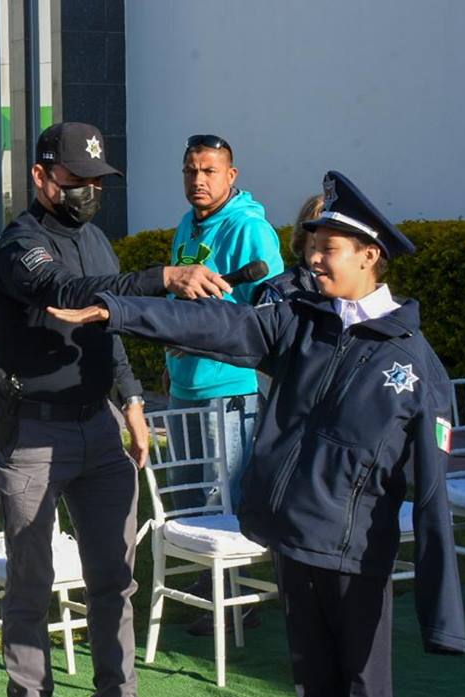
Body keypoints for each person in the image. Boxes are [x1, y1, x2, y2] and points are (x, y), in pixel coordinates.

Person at [50, 171, 465, 697]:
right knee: (313, 685)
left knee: (360, 693)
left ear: (371, 256)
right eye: (310, 247)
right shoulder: (301, 323)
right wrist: (118, 310)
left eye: (328, 250)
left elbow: (434, 493)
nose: (312, 260)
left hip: (354, 554)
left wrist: (443, 616)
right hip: (293, 539)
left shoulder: (415, 366)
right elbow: (221, 322)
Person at [0, 121, 231, 697]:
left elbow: (107, 328)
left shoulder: (97, 241)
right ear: (42, 177)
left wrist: (133, 404)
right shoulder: (21, 245)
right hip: (35, 435)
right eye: (77, 181)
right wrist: (163, 277)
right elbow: (65, 291)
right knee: (32, 583)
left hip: (99, 430)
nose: (89, 192)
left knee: (114, 581)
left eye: (98, 182)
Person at [161, 135, 283, 636]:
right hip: (183, 385)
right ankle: (212, 594)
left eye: (209, 171)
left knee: (226, 498)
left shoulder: (251, 229)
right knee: (188, 496)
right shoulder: (187, 226)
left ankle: (239, 603)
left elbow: (273, 314)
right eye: (191, 171)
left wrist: (206, 338)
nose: (198, 180)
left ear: (231, 175)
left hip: (227, 387)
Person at [253, 194, 323, 304]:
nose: (319, 258)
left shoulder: (357, 292)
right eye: (316, 246)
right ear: (302, 241)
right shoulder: (278, 292)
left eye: (333, 248)